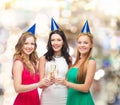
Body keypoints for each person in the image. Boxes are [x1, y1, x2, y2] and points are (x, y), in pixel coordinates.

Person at [56, 20, 96, 105]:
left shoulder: (91, 62)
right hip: (71, 99)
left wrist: (66, 83)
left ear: (91, 45)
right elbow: (69, 82)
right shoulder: (76, 62)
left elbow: (86, 88)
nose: (82, 45)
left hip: (82, 101)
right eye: (80, 42)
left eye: (85, 43)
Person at [12, 24, 50, 105]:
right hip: (23, 102)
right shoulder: (18, 63)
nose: (29, 46)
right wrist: (38, 84)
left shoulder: (33, 62)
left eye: (32, 44)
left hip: (35, 100)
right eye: (26, 43)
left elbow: (41, 82)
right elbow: (17, 88)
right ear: (21, 45)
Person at [38, 18, 72, 105]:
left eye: (59, 40)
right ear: (50, 42)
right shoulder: (43, 59)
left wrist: (65, 82)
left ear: (63, 42)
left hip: (64, 98)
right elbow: (40, 85)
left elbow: (69, 83)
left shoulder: (68, 59)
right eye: (53, 40)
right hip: (47, 98)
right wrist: (49, 82)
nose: (55, 43)